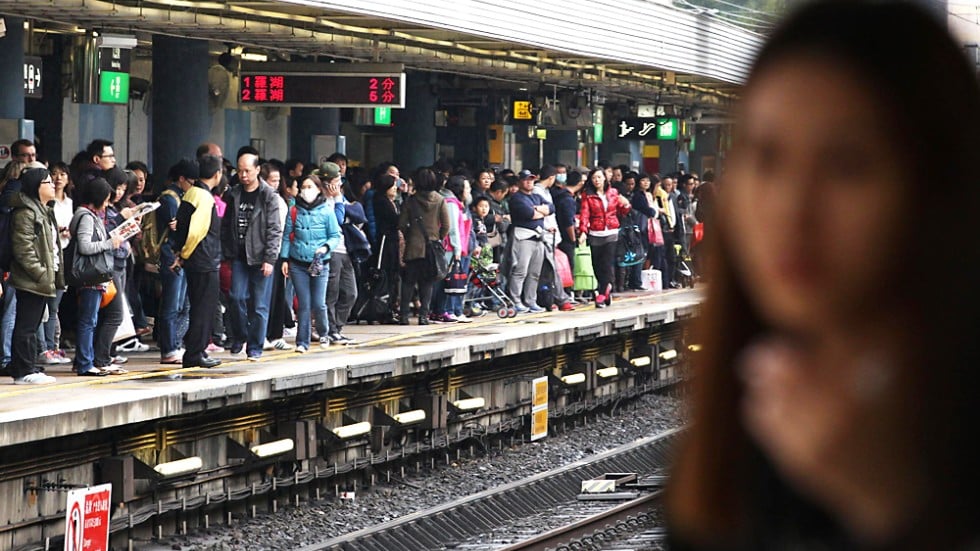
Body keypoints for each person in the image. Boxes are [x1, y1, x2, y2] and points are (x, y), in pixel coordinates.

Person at [666, 2, 980, 550]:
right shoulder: (733, 432)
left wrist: (888, 505)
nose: (793, 210)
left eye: (847, 164)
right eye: (766, 158)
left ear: (939, 186)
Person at [221, 152, 283, 360]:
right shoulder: (233, 194)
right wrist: (226, 251)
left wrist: (270, 259)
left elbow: (275, 229)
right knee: (236, 297)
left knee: (259, 306)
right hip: (239, 256)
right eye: (240, 170)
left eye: (247, 170)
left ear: (257, 170)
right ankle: (240, 335)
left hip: (260, 258)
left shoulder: (268, 196)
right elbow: (226, 225)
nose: (243, 175)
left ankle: (255, 346)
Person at [5, 168, 62, 384]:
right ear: (36, 186)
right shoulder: (26, 212)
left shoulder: (44, 210)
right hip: (31, 280)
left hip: (43, 279)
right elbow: (23, 249)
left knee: (33, 323)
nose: (53, 185)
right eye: (48, 182)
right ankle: (23, 371)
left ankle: (28, 366)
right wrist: (40, 272)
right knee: (26, 326)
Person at [170, 157, 222, 369]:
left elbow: (182, 227)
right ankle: (195, 353)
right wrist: (184, 254)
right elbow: (196, 232)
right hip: (204, 260)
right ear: (217, 174)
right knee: (204, 307)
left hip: (195, 260)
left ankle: (195, 350)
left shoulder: (191, 192)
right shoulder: (205, 197)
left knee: (197, 305)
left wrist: (180, 253)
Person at [280, 174, 342, 352]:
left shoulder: (327, 210)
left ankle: (323, 332)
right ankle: (302, 341)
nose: (306, 191)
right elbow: (286, 236)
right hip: (297, 262)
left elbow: (335, 235)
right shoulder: (294, 210)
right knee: (304, 303)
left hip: (320, 262)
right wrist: (284, 259)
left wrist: (325, 248)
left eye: (310, 187)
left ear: (318, 189)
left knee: (319, 302)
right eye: (303, 187)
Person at [71, 177, 125, 377]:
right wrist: (110, 243)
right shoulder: (87, 217)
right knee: (88, 321)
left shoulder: (90, 215)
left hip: (95, 276)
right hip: (90, 276)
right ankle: (85, 363)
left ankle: (85, 361)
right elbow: (85, 246)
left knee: (90, 320)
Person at [398, 168, 449, 325]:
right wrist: (437, 237)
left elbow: (401, 224)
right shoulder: (440, 200)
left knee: (408, 282)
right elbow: (446, 225)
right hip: (431, 248)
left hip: (413, 247)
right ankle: (423, 317)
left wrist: (410, 235)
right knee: (427, 283)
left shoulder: (411, 201)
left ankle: (404, 316)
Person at [578, 168, 630, 307]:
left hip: (611, 232)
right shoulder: (587, 195)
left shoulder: (613, 193)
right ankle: (606, 290)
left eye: (599, 177)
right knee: (597, 265)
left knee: (607, 263)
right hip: (595, 232)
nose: (597, 180)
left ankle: (601, 294)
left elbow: (622, 211)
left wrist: (626, 204)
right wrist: (583, 231)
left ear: (605, 179)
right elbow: (584, 214)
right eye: (594, 178)